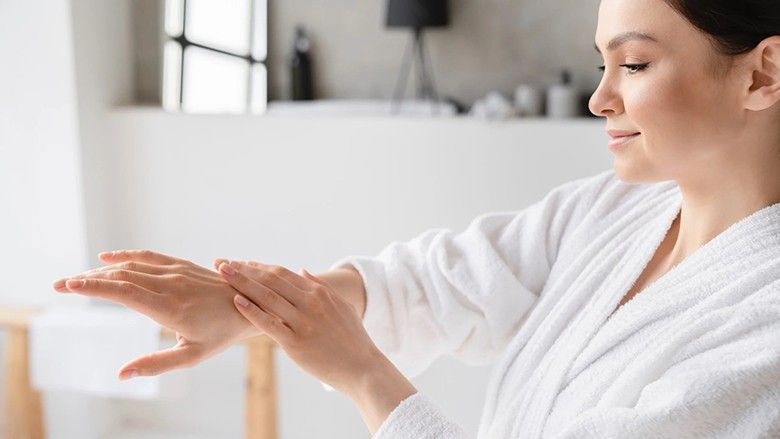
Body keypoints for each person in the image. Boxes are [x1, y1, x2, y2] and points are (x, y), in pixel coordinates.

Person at [53, 0, 780, 437]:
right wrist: (246, 304)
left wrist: (365, 375)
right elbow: (436, 282)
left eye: (636, 65)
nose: (600, 99)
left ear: (761, 73)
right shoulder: (612, 210)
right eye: (601, 65)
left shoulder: (765, 327)